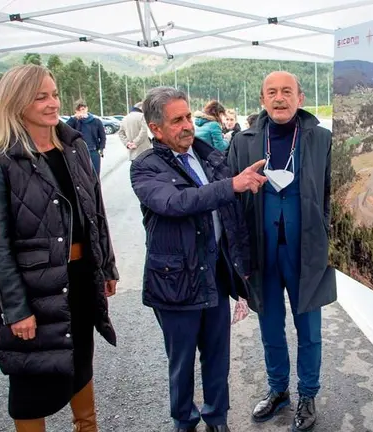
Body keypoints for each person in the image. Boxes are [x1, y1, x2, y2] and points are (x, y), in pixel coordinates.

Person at [0, 64, 118, 432]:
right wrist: (16, 307)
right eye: (41, 96)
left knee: (81, 363)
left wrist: (106, 267)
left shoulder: (74, 146)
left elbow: (95, 213)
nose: (52, 102)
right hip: (34, 287)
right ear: (18, 102)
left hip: (80, 276)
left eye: (54, 94)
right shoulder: (1, 159)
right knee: (31, 384)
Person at [130, 86, 266, 432]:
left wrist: (242, 266)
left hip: (215, 275)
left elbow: (232, 216)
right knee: (182, 361)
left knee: (217, 358)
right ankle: (184, 421)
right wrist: (231, 185)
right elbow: (176, 203)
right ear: (155, 128)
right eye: (177, 120)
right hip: (175, 280)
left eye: (188, 116)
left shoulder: (208, 156)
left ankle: (216, 419)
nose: (187, 125)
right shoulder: (145, 167)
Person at [228, 71, 336, 432]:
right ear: (262, 100)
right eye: (271, 92)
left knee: (310, 328)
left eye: (286, 91)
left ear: (300, 98)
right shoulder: (243, 141)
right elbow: (228, 195)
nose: (279, 98)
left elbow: (332, 194)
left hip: (307, 251)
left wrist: (328, 237)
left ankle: (308, 394)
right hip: (262, 251)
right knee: (270, 327)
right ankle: (278, 390)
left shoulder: (321, 139)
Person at [66, 99, 106, 175]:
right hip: (79, 152)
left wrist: (101, 148)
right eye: (79, 110)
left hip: (93, 151)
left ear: (87, 108)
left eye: (83, 109)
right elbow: (65, 130)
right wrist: (74, 118)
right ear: (75, 111)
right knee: (82, 176)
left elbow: (102, 137)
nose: (82, 112)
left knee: (95, 175)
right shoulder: (75, 121)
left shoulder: (96, 121)